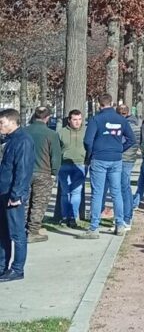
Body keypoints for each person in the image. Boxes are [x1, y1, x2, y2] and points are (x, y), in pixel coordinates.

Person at [79, 94, 135, 238]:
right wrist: (119, 149)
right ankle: (120, 224)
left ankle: (94, 228)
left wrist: (91, 153)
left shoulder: (96, 119)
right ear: (112, 103)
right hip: (116, 159)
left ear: (99, 104)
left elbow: (87, 141)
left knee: (97, 193)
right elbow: (131, 139)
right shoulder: (121, 119)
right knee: (116, 193)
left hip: (99, 158)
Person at [0, 109, 37, 282]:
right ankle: (2, 267)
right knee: (3, 232)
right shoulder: (9, 140)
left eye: (2, 123)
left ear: (12, 123)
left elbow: (23, 170)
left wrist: (16, 195)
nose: (0, 126)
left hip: (12, 194)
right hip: (3, 191)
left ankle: (17, 269)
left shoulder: (23, 141)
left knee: (17, 234)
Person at [24, 106, 61, 243]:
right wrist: (54, 172)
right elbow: (55, 156)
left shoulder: (23, 131)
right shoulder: (51, 134)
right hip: (43, 172)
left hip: (25, 172)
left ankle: (21, 230)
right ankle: (33, 231)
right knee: (39, 203)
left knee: (24, 202)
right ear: (47, 117)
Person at [57, 110, 86, 229]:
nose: (77, 122)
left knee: (76, 192)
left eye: (79, 119)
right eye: (75, 119)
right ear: (69, 120)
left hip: (80, 164)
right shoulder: (61, 132)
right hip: (64, 165)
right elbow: (56, 149)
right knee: (65, 193)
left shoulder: (86, 131)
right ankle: (64, 217)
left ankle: (73, 216)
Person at [118, 105, 141, 226]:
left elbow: (125, 141)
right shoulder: (137, 126)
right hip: (131, 158)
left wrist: (119, 149)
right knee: (125, 186)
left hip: (123, 157)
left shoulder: (124, 126)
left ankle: (126, 215)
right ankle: (128, 213)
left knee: (123, 187)